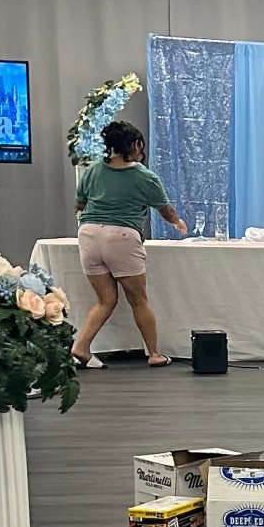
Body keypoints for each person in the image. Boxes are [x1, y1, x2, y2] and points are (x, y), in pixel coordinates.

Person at [71, 117, 186, 370]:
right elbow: (165, 210)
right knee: (138, 300)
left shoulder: (92, 169)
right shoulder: (145, 177)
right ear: (134, 145)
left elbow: (79, 205)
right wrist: (177, 222)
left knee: (105, 300)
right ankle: (154, 354)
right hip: (122, 237)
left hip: (88, 234)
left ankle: (81, 346)